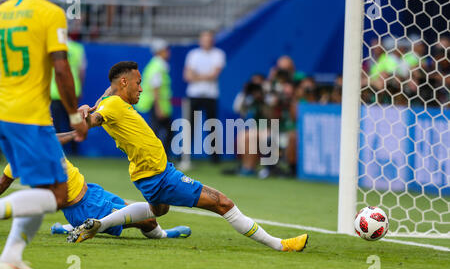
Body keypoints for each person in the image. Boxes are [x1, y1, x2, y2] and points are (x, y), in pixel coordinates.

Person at [70, 61, 308, 253]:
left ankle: (99, 224)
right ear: (124, 82)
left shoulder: (110, 101)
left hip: (147, 176)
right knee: (222, 203)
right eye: (138, 83)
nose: (141, 89)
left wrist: (89, 106)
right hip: (160, 177)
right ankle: (280, 245)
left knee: (158, 211)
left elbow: (104, 99)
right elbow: (93, 121)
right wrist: (83, 116)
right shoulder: (112, 106)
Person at [0, 0, 88, 269]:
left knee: (42, 189)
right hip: (29, 116)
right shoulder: (50, 13)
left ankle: (12, 257)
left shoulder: (3, 11)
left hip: (5, 111)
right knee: (58, 193)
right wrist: (75, 115)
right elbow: (62, 69)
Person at [0, 132, 191, 241]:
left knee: (128, 208)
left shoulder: (37, 143)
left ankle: (70, 227)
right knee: (148, 220)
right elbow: (3, 183)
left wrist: (74, 133)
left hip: (92, 192)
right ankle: (165, 235)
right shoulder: (23, 158)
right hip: (86, 206)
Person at [183, 30, 226, 164]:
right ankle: (185, 156)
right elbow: (187, 76)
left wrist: (196, 75)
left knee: (212, 126)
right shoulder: (193, 54)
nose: (206, 41)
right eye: (204, 39)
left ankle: (214, 157)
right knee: (189, 126)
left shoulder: (218, 54)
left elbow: (214, 75)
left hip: (210, 95)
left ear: (212, 40)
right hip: (193, 95)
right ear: (200, 40)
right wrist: (203, 76)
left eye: (209, 39)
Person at [136, 39, 173, 155]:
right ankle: (155, 157)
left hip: (155, 103)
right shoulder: (158, 66)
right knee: (158, 132)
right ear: (159, 51)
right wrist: (159, 108)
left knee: (158, 132)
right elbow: (155, 88)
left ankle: (156, 157)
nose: (168, 52)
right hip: (156, 104)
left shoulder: (155, 65)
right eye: (166, 50)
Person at [50, 38, 87, 155]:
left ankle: (57, 151)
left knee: (56, 123)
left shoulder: (53, 45)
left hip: (55, 91)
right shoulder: (77, 48)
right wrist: (79, 88)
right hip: (72, 90)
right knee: (74, 121)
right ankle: (75, 151)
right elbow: (82, 71)